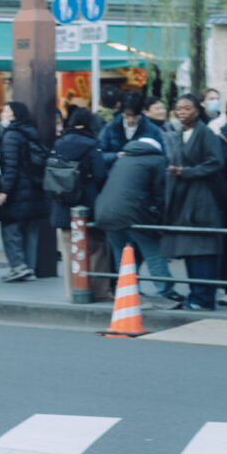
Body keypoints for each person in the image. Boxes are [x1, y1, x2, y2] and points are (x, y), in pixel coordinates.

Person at [94, 136, 176, 302]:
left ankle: (127, 290)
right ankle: (165, 291)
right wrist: (159, 218)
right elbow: (159, 193)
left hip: (105, 211)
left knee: (122, 254)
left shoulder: (124, 158)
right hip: (134, 213)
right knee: (153, 251)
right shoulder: (157, 160)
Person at [162, 93, 225, 310]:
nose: (181, 112)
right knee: (189, 249)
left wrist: (187, 172)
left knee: (203, 249)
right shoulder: (179, 134)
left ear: (197, 110)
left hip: (203, 199)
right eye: (178, 108)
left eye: (186, 108)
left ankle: (203, 297)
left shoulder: (206, 133)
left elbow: (216, 162)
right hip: (184, 198)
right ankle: (195, 294)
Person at [49, 107, 110, 300]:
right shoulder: (92, 145)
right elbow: (100, 174)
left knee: (68, 250)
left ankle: (72, 291)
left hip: (62, 204)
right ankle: (98, 291)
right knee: (97, 247)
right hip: (86, 205)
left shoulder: (59, 144)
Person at [0, 101, 44, 282]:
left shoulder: (11, 136)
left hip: (17, 191)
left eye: (6, 111)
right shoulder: (31, 133)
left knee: (10, 229)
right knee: (30, 231)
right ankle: (29, 267)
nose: (3, 113)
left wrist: (4, 190)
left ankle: (17, 266)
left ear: (14, 115)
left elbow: (11, 166)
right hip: (34, 189)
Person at [97, 91, 163, 168]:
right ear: (122, 111)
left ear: (142, 111)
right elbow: (99, 155)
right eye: (127, 115)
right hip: (114, 173)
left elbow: (161, 157)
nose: (130, 120)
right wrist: (116, 156)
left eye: (135, 116)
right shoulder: (110, 128)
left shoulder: (152, 129)